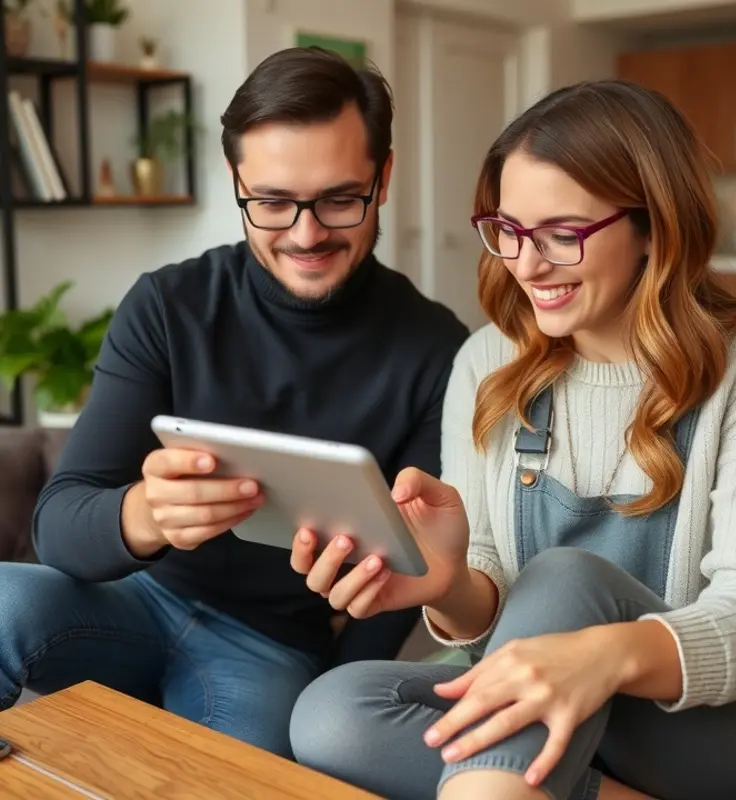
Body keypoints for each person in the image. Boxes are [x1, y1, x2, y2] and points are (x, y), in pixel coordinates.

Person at [287, 80, 736, 800]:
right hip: (548, 729)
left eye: (563, 234)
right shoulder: (487, 362)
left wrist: (600, 658)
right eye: (509, 230)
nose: (525, 265)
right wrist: (452, 584)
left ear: (654, 227)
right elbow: (492, 622)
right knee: (335, 713)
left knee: (565, 580)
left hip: (719, 728)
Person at [0, 47, 468, 758]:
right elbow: (60, 524)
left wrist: (328, 714)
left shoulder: (438, 351)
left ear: (385, 177)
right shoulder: (169, 305)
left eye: (340, 199)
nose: (307, 234)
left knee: (240, 775)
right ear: (235, 181)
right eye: (273, 203)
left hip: (270, 649)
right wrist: (145, 515)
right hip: (130, 600)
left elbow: (402, 577)